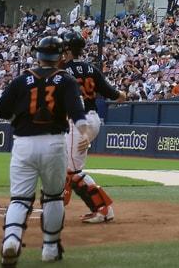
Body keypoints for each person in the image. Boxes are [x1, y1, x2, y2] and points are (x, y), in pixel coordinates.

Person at [0, 35, 84, 267]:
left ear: (38, 55)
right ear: (60, 56)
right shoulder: (67, 80)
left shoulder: (22, 80)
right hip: (53, 143)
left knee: (20, 199)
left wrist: (19, 117)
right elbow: (78, 115)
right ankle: (50, 249)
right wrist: (85, 135)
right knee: (53, 196)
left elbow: (0, 110)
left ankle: (11, 240)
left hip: (23, 143)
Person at [60, 30, 124, 223]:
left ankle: (102, 209)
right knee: (67, 166)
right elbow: (114, 94)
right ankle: (95, 207)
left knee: (73, 171)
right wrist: (121, 94)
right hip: (93, 118)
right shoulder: (91, 68)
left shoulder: (63, 71)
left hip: (78, 122)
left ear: (68, 50)